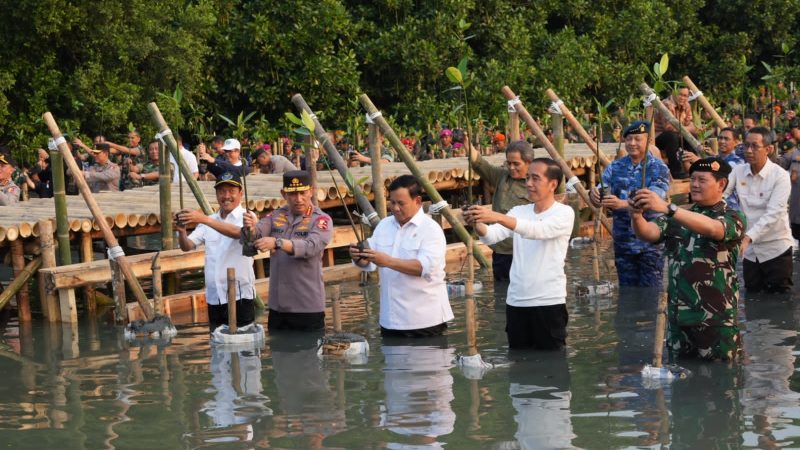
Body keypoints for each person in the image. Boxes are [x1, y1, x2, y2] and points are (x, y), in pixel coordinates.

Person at [630, 158, 745, 360]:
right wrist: (636, 216)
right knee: (680, 379)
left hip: (715, 318)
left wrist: (669, 208)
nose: (694, 184)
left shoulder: (733, 216)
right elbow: (649, 233)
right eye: (692, 179)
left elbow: (713, 228)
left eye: (702, 180)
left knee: (723, 381)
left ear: (721, 184)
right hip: (678, 317)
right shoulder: (680, 215)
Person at [465, 158, 574, 350]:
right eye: (528, 178)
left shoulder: (564, 213)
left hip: (548, 301)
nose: (529, 184)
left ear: (553, 184)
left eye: (535, 179)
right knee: (518, 362)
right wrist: (476, 222)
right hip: (516, 300)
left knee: (552, 366)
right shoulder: (519, 211)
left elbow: (537, 231)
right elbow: (491, 236)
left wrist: (497, 216)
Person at [350, 175, 454, 337]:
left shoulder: (431, 229)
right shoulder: (384, 225)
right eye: (392, 203)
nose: (396, 208)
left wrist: (388, 261)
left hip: (425, 321)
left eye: (401, 203)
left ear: (418, 201)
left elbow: (423, 268)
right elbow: (369, 262)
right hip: (390, 321)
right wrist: (358, 256)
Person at [242, 170, 332, 331]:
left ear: (311, 191)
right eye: (292, 194)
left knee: (309, 354)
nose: (298, 199)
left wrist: (278, 242)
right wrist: (250, 227)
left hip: (307, 308)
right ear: (283, 194)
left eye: (302, 193)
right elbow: (256, 234)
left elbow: (310, 247)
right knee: (277, 352)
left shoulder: (321, 219)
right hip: (278, 308)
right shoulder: (276, 215)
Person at [590, 121, 670, 287]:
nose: (632, 143)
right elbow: (602, 192)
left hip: (650, 244)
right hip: (623, 241)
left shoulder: (658, 168)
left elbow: (654, 200)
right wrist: (595, 196)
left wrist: (622, 204)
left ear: (647, 141)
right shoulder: (615, 167)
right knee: (627, 294)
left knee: (650, 295)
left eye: (637, 139)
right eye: (628, 139)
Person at [176, 172, 256, 333]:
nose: (226, 196)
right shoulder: (209, 219)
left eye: (231, 191)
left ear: (241, 193)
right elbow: (188, 246)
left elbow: (240, 233)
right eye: (221, 191)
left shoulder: (247, 216)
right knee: (218, 347)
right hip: (214, 295)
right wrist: (182, 232)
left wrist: (204, 219)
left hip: (240, 295)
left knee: (244, 348)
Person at [724, 126, 793, 293]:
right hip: (749, 252)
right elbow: (722, 194)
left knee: (780, 302)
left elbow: (773, 214)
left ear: (768, 149)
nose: (748, 150)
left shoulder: (780, 176)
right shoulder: (738, 171)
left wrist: (747, 237)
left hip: (775, 248)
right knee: (752, 295)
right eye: (745, 145)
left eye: (754, 146)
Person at [468, 139, 534, 281]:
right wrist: (467, 141)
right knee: (503, 296)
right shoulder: (502, 177)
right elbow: (479, 163)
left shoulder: (536, 185)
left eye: (516, 164)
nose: (511, 167)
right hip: (501, 252)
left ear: (529, 163)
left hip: (526, 252)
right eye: (508, 163)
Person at [655, 86, 698, 179]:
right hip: (659, 137)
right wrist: (688, 129)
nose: (683, 98)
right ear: (673, 93)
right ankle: (676, 171)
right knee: (671, 136)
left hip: (678, 135)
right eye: (680, 94)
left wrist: (687, 129)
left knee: (692, 136)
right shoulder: (666, 104)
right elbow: (669, 127)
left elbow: (691, 124)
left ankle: (694, 167)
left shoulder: (686, 105)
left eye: (685, 95)